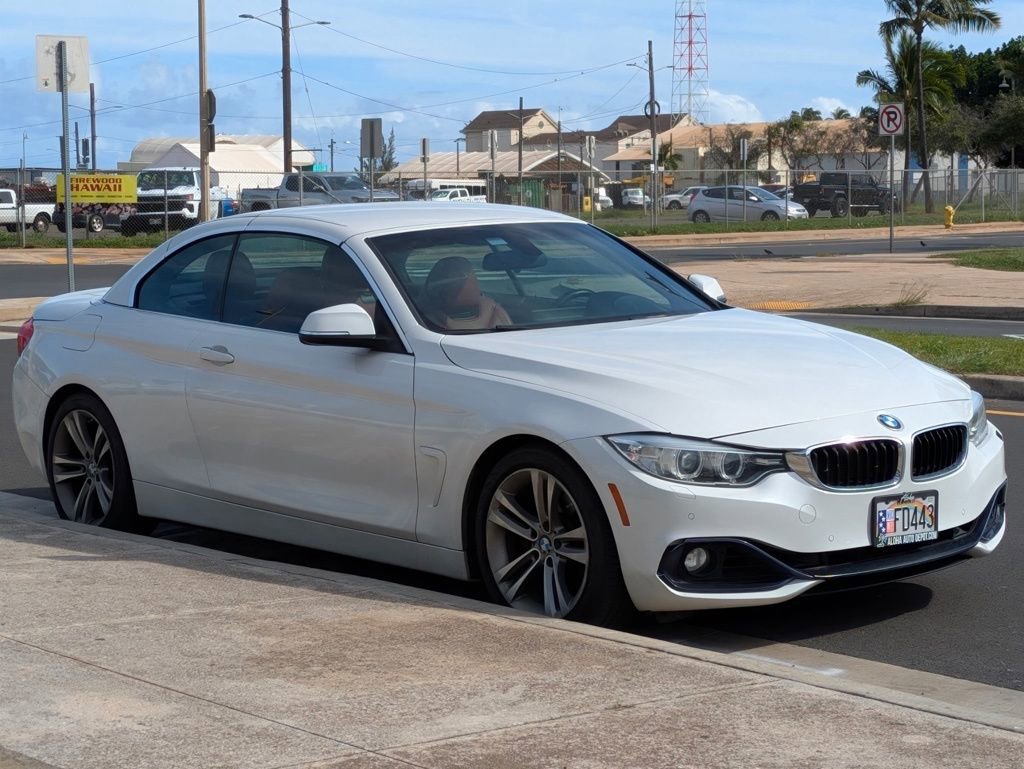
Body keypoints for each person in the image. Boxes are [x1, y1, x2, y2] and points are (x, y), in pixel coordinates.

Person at [423, 256, 511, 331]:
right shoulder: (494, 310)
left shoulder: (494, 309)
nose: (476, 285)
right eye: (472, 280)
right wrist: (487, 309)